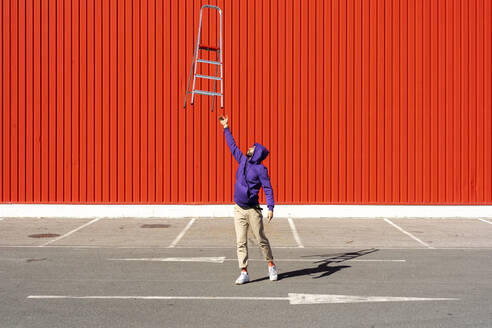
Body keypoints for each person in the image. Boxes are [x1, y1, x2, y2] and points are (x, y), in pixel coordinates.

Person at [218, 115, 278, 285]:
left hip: (253, 210)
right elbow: (232, 146)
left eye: (252, 147)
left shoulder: (261, 170)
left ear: (257, 153)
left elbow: (268, 188)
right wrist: (226, 128)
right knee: (240, 241)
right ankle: (244, 272)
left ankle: (271, 265)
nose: (249, 147)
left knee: (260, 239)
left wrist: (271, 207)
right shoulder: (243, 160)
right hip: (238, 208)